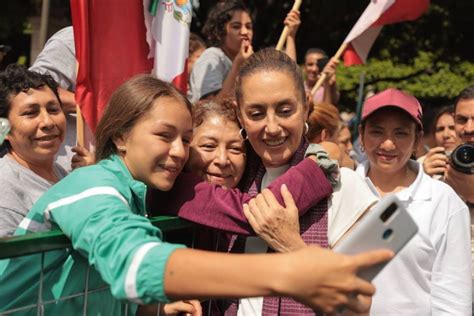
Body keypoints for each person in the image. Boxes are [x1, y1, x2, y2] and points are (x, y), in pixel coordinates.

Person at [0, 74, 392, 315]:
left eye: (185, 139)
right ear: (120, 136)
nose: (177, 151)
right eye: (164, 135)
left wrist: (154, 308)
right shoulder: (91, 187)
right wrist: (288, 272)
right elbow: (133, 263)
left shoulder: (140, 195)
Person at [355, 88, 471, 314]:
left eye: (400, 133)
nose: (387, 144)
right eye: (377, 132)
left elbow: (454, 302)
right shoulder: (338, 190)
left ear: (417, 138)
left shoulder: (443, 202)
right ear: (361, 134)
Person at [0, 64, 68, 237]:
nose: (48, 122)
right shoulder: (4, 188)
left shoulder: (64, 175)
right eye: (31, 113)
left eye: (53, 110)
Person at [189, 1, 300, 102]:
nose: (245, 32)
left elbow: (290, 80)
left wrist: (290, 36)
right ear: (219, 32)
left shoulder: (251, 62)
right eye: (236, 26)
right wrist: (238, 64)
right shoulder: (212, 58)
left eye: (248, 27)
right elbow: (211, 108)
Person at [29, 26, 95, 172]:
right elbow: (31, 90)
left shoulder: (152, 43)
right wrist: (99, 107)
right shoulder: (77, 37)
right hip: (63, 175)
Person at [420, 105, 461, 179]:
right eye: (440, 129)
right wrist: (423, 175)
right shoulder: (422, 163)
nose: (445, 135)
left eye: (452, 128)